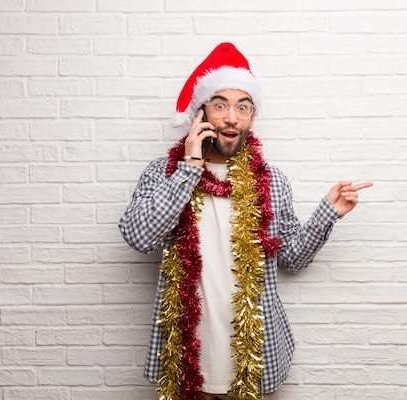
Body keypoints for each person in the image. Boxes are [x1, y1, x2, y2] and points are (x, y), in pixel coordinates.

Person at [119, 42, 372, 400]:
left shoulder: (272, 182)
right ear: (200, 112)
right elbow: (138, 237)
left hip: (253, 354)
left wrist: (327, 212)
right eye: (220, 104)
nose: (231, 117)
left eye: (243, 107)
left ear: (252, 117)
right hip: (186, 354)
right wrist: (189, 169)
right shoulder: (164, 174)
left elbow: (291, 260)